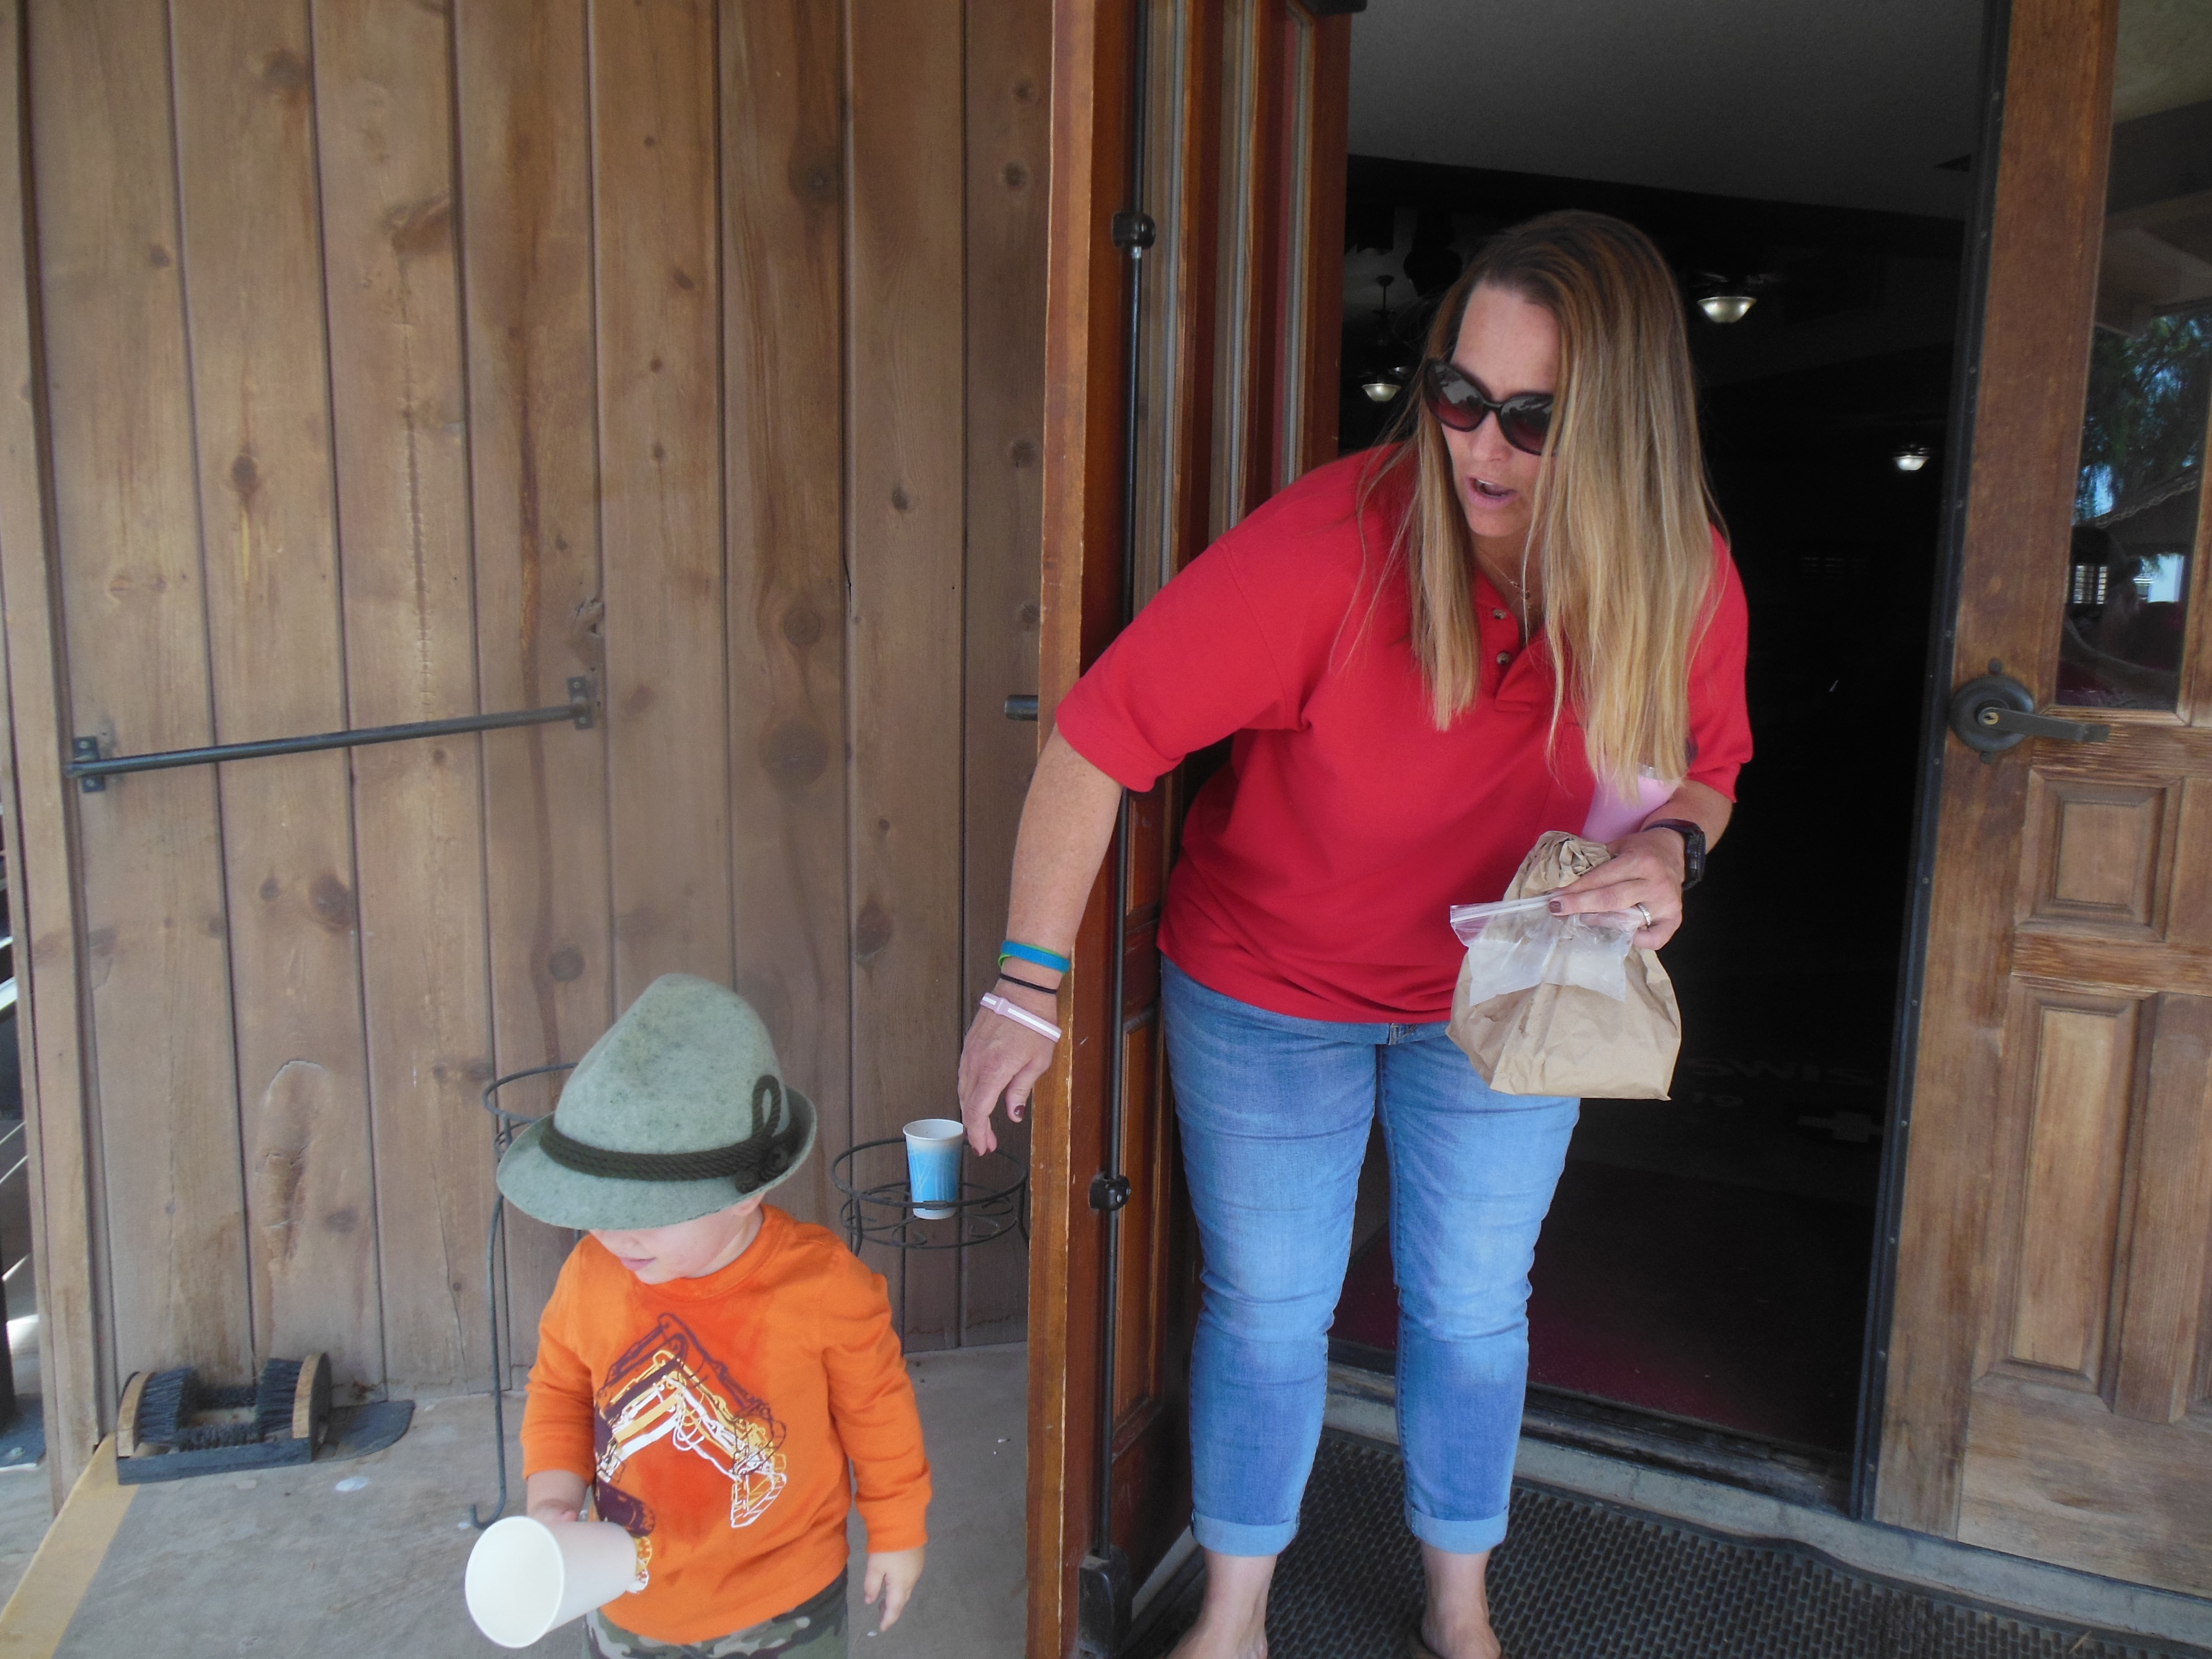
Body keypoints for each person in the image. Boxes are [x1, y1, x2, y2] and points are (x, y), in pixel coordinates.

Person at [957, 211, 1750, 1659]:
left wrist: (1670, 847)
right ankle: (1235, 1616)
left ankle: (1460, 1607)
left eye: (1531, 418)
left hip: (1507, 993)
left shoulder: (1681, 573)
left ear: (1624, 426)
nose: (1479, 448)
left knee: (1472, 1309)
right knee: (1270, 1307)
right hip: (1271, 986)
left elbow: (1712, 768)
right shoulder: (1337, 542)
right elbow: (1098, 737)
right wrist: (1024, 986)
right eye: (1457, 394)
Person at [504, 973, 930, 1659]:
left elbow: (878, 1411)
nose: (615, 1236)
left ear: (744, 1195)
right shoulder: (590, 1274)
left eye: (646, 1213)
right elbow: (560, 1391)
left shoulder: (822, 1287)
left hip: (785, 1604)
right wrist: (551, 1502)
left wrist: (899, 1528)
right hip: (622, 1593)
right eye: (597, 1209)